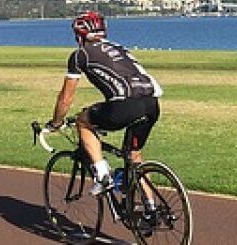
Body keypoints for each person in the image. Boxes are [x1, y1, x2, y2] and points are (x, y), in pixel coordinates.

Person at [46, 11, 162, 195]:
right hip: (151, 104)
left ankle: (102, 175)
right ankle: (151, 208)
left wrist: (56, 122)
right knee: (134, 157)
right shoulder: (119, 48)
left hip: (123, 106)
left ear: (80, 35)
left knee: (83, 120)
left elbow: (66, 98)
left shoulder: (80, 55)